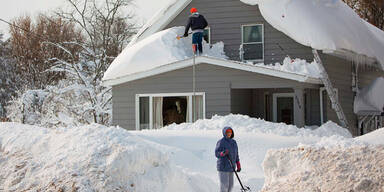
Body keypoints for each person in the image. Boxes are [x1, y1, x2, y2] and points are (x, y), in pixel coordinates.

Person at [215, 126, 241, 192]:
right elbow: (217, 153)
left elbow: (236, 154)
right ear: (224, 133)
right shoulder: (221, 142)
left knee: (231, 185)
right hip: (223, 167)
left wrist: (238, 164)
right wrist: (222, 153)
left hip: (231, 167)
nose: (229, 133)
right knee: (224, 185)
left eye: (230, 132)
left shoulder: (234, 142)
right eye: (227, 132)